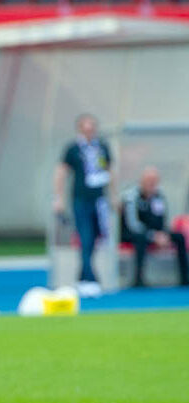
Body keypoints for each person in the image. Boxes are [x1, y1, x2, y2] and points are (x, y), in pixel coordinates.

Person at [53, 113, 115, 298]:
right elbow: (61, 173)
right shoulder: (73, 149)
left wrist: (113, 195)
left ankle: (82, 277)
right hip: (81, 199)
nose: (89, 132)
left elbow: (109, 171)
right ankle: (91, 279)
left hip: (99, 200)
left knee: (95, 239)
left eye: (92, 129)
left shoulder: (102, 147)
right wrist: (59, 198)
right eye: (85, 129)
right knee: (85, 238)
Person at [120, 166, 189, 287]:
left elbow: (162, 219)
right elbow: (133, 224)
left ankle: (185, 278)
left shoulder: (158, 197)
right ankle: (138, 280)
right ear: (142, 181)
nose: (152, 184)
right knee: (141, 238)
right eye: (149, 181)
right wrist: (153, 236)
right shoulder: (132, 197)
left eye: (154, 181)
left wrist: (162, 235)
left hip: (155, 233)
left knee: (179, 237)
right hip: (133, 234)